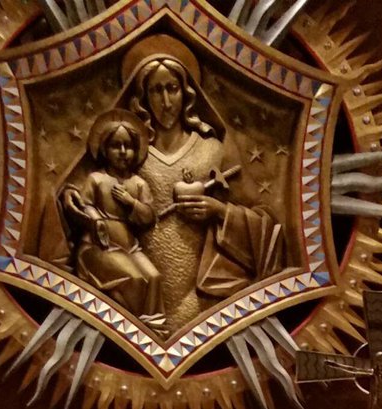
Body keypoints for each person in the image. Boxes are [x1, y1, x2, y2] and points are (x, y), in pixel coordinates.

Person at [118, 35, 285, 332]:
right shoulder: (130, 155)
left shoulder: (212, 151)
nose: (166, 102)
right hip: (138, 297)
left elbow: (266, 223)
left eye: (172, 89)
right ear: (143, 98)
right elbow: (98, 195)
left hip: (205, 296)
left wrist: (218, 211)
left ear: (187, 93)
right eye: (156, 91)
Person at [60, 109, 164, 327]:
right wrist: (95, 218)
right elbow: (84, 204)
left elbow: (148, 217)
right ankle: (133, 328)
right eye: (116, 146)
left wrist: (131, 202)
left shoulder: (138, 183)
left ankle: (154, 326)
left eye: (129, 146)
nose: (123, 152)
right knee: (135, 279)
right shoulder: (96, 179)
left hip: (130, 247)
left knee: (154, 277)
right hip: (100, 247)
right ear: (105, 150)